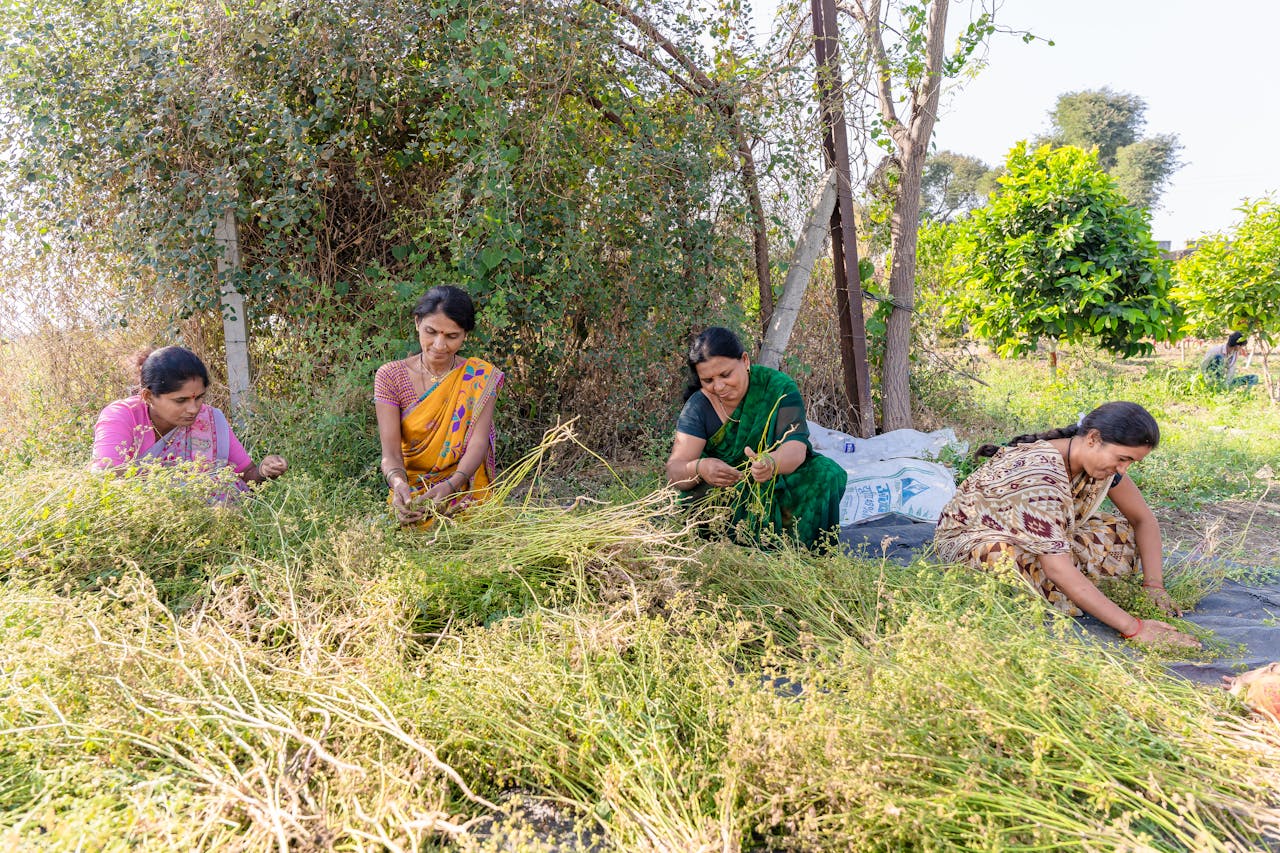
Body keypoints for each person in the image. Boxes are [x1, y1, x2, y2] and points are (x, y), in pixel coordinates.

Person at [933, 401, 1198, 647]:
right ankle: (1076, 593)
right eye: (1122, 458)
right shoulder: (1039, 474)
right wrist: (1134, 628)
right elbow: (1056, 567)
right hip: (975, 543)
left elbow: (1143, 520)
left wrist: (1154, 586)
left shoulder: (1097, 466)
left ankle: (1076, 593)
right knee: (1004, 557)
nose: (1123, 469)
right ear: (1093, 439)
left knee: (1120, 533)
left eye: (1131, 462)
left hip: (1050, 544)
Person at [665, 326, 847, 549]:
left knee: (826, 474)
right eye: (708, 380)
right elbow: (676, 470)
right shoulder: (699, 406)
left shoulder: (778, 388)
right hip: (726, 491)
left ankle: (805, 556)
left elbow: (796, 448)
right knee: (691, 496)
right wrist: (701, 467)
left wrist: (771, 463)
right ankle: (724, 552)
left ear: (745, 361)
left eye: (725, 375)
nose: (719, 387)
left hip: (775, 478)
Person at [375, 286, 503, 525]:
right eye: (431, 332)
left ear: (465, 335)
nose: (439, 345)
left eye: (452, 336)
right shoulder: (390, 376)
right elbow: (390, 453)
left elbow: (478, 443)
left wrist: (451, 485)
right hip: (411, 492)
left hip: (462, 489)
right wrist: (399, 485)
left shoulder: (479, 376)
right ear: (417, 323)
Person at [91, 346, 287, 486]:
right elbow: (108, 483)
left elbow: (247, 476)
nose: (194, 409)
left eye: (199, 397)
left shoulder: (210, 419)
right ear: (148, 396)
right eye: (180, 400)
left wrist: (264, 470)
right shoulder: (121, 417)